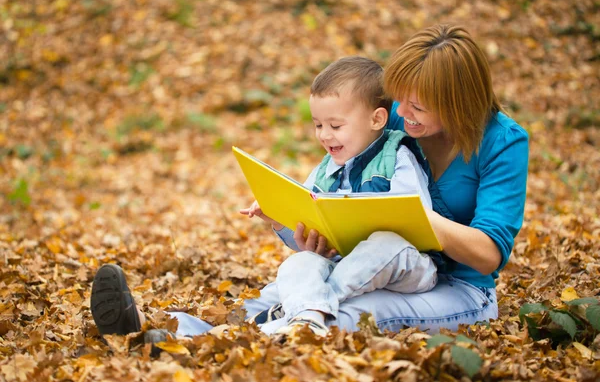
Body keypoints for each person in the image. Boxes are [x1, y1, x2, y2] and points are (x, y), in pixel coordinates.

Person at [90, 23, 528, 342]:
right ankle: (159, 329)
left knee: (348, 311)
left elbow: (490, 254)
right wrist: (309, 223)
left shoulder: (502, 143)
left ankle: (201, 347)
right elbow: (340, 170)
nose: (403, 113)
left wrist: (420, 221)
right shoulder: (393, 119)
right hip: (363, 264)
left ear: (456, 101)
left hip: (457, 289)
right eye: (399, 100)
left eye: (418, 106)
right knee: (286, 288)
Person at [239, 56, 439, 336]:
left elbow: (416, 217)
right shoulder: (326, 168)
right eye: (318, 125)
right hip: (345, 266)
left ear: (376, 119)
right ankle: (307, 318)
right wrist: (278, 219)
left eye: (335, 126)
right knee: (301, 263)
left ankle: (295, 308)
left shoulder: (397, 157)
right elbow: (305, 232)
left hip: (406, 263)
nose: (324, 135)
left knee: (383, 243)